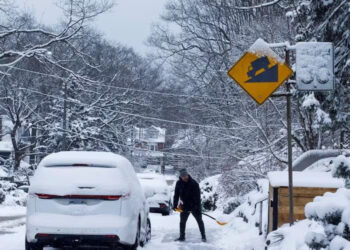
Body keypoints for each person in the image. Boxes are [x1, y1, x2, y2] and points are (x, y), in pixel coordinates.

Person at [173, 168, 206, 242]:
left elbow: (198, 197)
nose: (184, 177)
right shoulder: (178, 183)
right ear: (180, 177)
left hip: (195, 205)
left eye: (185, 175)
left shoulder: (194, 183)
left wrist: (196, 207)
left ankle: (203, 236)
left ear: (187, 175)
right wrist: (175, 205)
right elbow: (176, 195)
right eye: (183, 176)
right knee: (182, 222)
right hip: (184, 206)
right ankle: (182, 236)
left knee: (199, 221)